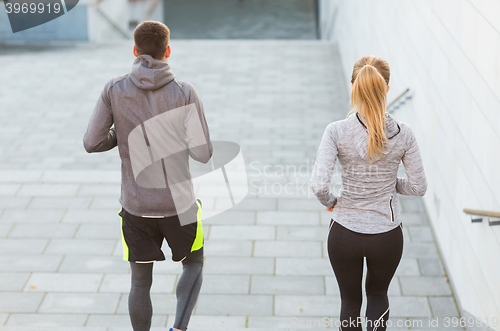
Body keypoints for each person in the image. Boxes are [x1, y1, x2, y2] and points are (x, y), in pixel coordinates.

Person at [83, 21, 213, 331]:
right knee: (194, 264)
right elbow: (203, 153)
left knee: (140, 281)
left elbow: (92, 142)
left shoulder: (114, 89)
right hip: (180, 206)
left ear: (135, 50)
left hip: (136, 206)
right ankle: (178, 328)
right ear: (167, 51)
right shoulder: (184, 92)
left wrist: (122, 135)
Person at [310, 55, 427, 331]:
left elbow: (318, 185)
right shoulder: (404, 134)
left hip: (344, 233)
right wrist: (388, 183)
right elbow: (419, 186)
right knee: (377, 294)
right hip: (387, 236)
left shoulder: (336, 131)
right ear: (386, 89)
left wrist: (331, 203)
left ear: (354, 87)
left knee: (350, 303)